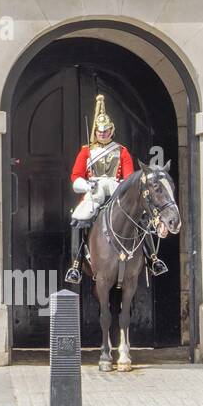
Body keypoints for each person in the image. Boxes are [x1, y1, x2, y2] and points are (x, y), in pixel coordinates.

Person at [65, 95, 167, 284]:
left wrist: (120, 187)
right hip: (94, 192)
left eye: (106, 131)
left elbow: (128, 177)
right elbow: (75, 176)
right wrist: (87, 184)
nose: (102, 134)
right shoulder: (86, 151)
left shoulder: (121, 151)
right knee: (78, 218)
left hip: (115, 190)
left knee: (141, 217)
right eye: (99, 131)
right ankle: (76, 264)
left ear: (112, 131)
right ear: (95, 132)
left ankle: (153, 258)